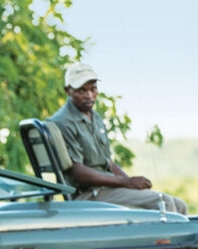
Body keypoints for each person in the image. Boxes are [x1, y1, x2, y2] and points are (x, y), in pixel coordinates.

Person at [48, 63, 188, 215]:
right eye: (81, 90)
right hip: (89, 194)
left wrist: (131, 183)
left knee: (179, 205)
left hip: (107, 188)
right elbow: (78, 172)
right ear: (68, 90)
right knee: (163, 202)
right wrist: (126, 182)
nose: (89, 95)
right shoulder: (63, 121)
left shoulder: (95, 117)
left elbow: (107, 162)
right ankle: (167, 239)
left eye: (92, 89)